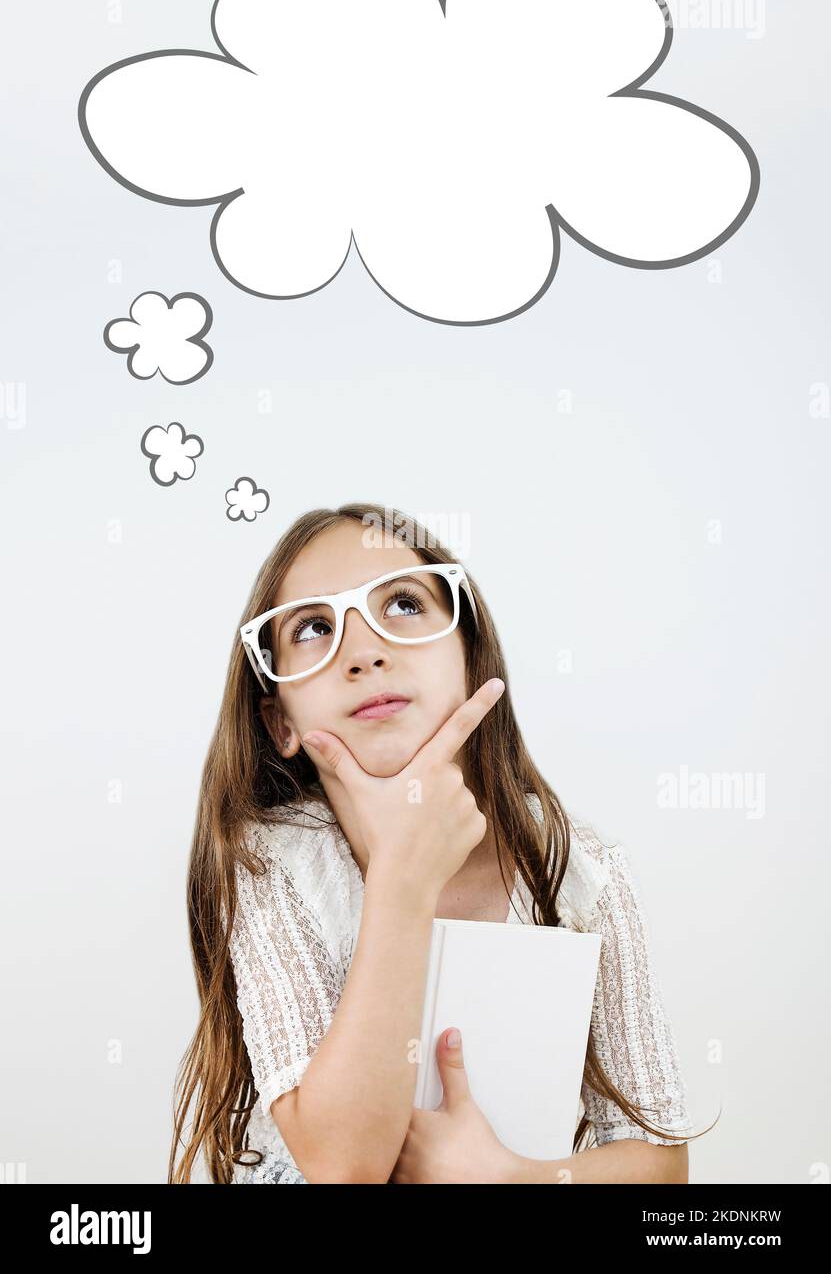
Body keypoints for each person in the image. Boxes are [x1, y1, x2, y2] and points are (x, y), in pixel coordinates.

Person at [168, 502, 713, 1184]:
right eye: (313, 627)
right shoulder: (271, 862)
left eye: (401, 604)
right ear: (280, 722)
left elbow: (659, 1162)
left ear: (468, 660)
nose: (364, 652)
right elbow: (342, 1168)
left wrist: (510, 1177)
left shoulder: (581, 870)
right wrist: (403, 878)